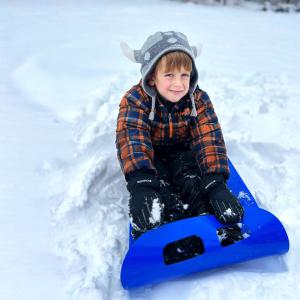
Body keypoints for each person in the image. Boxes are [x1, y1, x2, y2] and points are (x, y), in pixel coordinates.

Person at [116, 31, 244, 241]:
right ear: (151, 77)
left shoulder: (198, 99)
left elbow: (208, 137)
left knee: (191, 178)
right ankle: (169, 225)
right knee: (160, 185)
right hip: (150, 154)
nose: (179, 84)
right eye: (169, 75)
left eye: (184, 75)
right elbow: (131, 136)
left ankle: (210, 222)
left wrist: (215, 183)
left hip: (183, 151)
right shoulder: (135, 99)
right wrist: (142, 183)